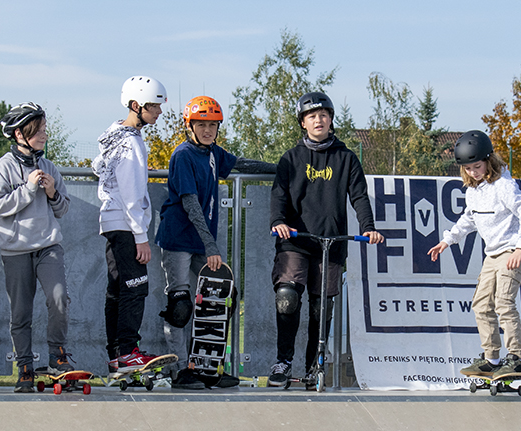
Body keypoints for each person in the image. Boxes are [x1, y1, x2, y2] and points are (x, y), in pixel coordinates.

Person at [269, 92, 384, 387]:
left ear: (331, 119)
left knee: (322, 309)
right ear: (303, 123)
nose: (318, 120)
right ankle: (282, 362)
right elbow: (279, 194)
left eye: (323, 115)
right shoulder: (291, 159)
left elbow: (359, 195)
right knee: (287, 298)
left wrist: (368, 226)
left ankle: (312, 366)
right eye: (311, 116)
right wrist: (278, 221)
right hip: (295, 239)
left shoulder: (346, 158)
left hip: (329, 243)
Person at [428, 130, 521, 379]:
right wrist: (447, 240)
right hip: (493, 253)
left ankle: (517, 359)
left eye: (477, 166)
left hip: (513, 249)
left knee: (504, 302)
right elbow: (469, 219)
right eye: (467, 168)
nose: (472, 172)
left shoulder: (504, 186)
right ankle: (492, 359)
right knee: (481, 304)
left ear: (489, 160)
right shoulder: (474, 190)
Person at [154, 95, 244, 390]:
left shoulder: (214, 154)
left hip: (200, 241)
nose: (207, 130)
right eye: (201, 124)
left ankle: (206, 367)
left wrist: (284, 167)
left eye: (212, 125)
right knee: (180, 305)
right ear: (189, 126)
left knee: (219, 300)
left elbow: (241, 164)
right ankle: (180, 370)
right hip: (179, 238)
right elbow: (191, 205)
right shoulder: (182, 156)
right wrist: (211, 246)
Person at [0, 102, 73, 392]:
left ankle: (57, 355)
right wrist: (26, 190)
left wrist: (51, 193)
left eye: (44, 130)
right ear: (19, 134)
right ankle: (24, 366)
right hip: (16, 250)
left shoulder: (48, 166)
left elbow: (63, 209)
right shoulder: (4, 166)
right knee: (21, 312)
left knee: (59, 298)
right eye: (38, 131)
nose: (44, 136)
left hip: (48, 246)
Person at [93, 76, 166, 376]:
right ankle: (128, 354)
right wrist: (141, 236)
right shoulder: (132, 143)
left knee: (118, 290)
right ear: (137, 106)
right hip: (126, 225)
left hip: (110, 221)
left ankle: (116, 356)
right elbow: (133, 193)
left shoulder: (112, 136)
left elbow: (97, 166)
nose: (159, 113)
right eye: (154, 107)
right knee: (136, 289)